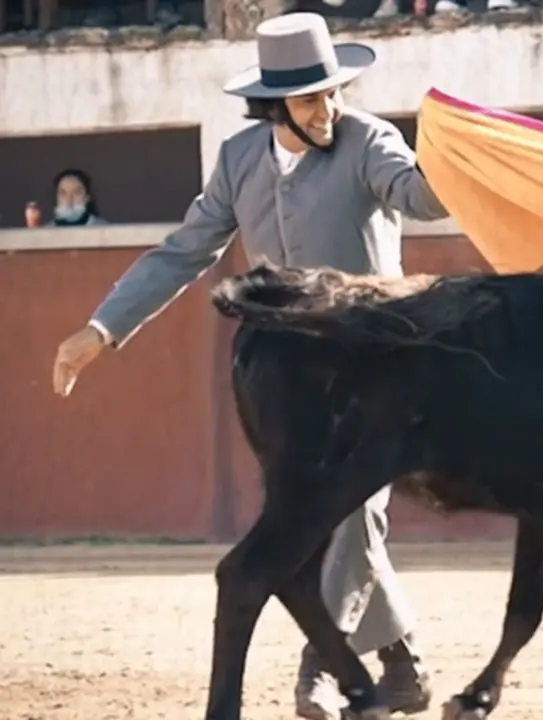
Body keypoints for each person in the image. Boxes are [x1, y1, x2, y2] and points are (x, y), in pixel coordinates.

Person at [50, 13, 449, 720]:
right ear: (273, 107)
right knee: (314, 512)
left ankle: (324, 668)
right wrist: (102, 328)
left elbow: (420, 196)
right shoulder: (238, 159)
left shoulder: (368, 139)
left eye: (333, 93)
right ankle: (403, 665)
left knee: (355, 509)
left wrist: (454, 151)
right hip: (291, 379)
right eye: (308, 101)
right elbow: (185, 252)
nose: (327, 110)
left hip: (380, 360)